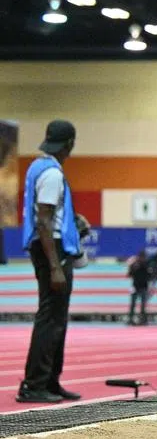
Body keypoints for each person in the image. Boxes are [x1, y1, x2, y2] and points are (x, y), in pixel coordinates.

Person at [17, 120, 87, 403]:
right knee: (50, 319)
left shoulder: (38, 167)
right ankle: (35, 384)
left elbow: (47, 216)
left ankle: (49, 381)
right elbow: (43, 221)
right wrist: (56, 267)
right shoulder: (53, 175)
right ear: (69, 144)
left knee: (56, 318)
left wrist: (74, 221)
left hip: (48, 246)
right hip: (51, 250)